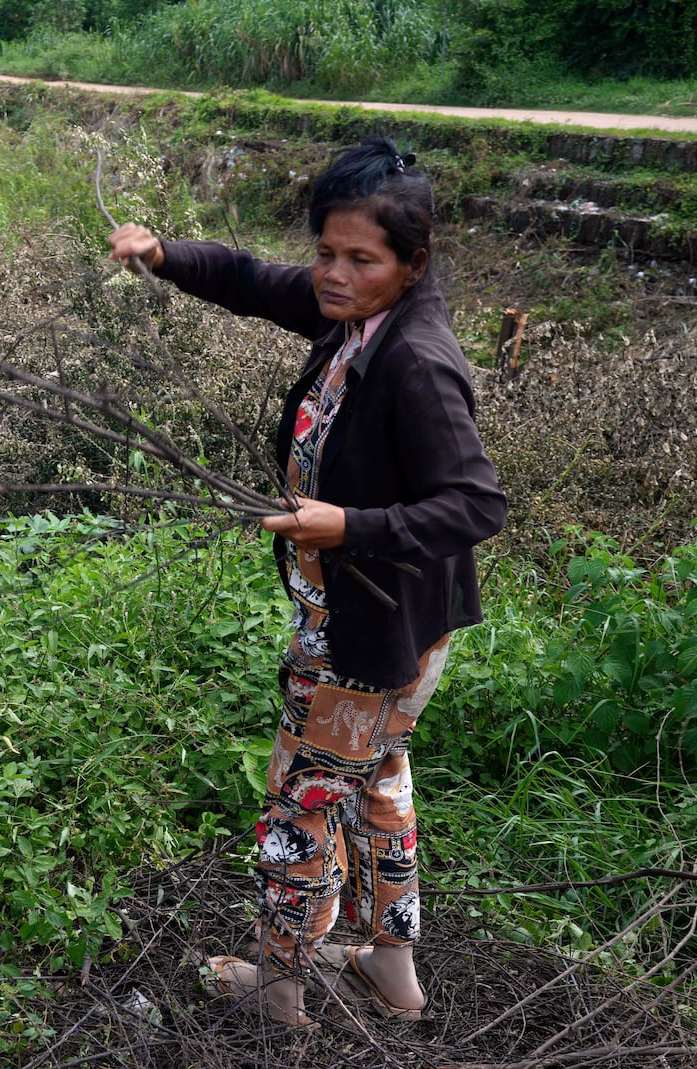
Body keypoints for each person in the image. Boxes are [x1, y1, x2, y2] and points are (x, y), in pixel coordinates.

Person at [108, 137, 507, 1029]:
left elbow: (477, 503)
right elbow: (255, 280)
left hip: (367, 634)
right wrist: (163, 254)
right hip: (389, 625)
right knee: (377, 779)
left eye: (359, 259)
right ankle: (391, 965)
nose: (331, 272)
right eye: (327, 250)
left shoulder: (415, 361)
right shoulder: (357, 316)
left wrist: (347, 526)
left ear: (413, 263)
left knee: (304, 800)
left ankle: (281, 986)